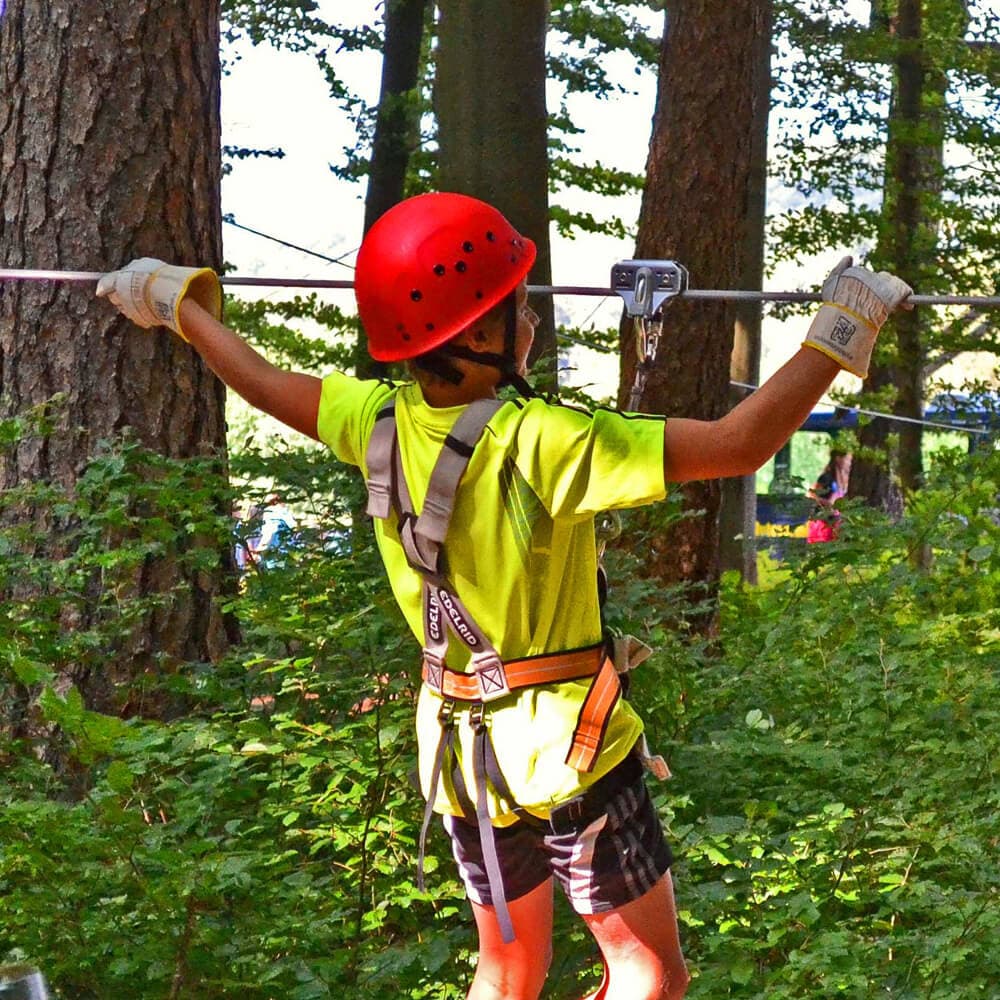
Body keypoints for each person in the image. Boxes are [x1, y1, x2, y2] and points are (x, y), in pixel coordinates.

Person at [96, 193, 911, 1000]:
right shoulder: (545, 438)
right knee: (648, 974)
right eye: (517, 308)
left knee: (508, 970)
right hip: (568, 749)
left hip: (459, 757)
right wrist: (839, 332)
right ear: (481, 334)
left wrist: (177, 305)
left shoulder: (371, 418)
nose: (531, 321)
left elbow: (261, 381)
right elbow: (740, 445)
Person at [806, 450, 852, 543]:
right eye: (847, 459)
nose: (849, 462)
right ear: (838, 459)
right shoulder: (827, 478)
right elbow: (813, 496)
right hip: (823, 526)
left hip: (836, 526)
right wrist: (830, 505)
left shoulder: (846, 480)